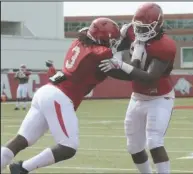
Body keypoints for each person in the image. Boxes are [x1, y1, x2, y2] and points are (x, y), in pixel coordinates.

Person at [1, 17, 123, 174]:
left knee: (22, 139)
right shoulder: (97, 53)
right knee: (68, 146)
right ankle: (22, 168)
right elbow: (112, 56)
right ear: (102, 39)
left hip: (48, 91)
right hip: (60, 96)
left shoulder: (80, 42)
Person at [99, 3, 176, 174]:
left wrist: (121, 64)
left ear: (157, 25)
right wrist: (116, 52)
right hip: (137, 97)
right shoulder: (132, 30)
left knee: (155, 142)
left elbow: (149, 77)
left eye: (144, 28)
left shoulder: (165, 46)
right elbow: (119, 44)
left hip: (159, 97)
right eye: (138, 27)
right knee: (133, 146)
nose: (140, 31)